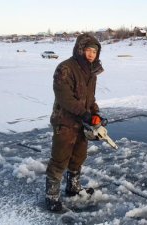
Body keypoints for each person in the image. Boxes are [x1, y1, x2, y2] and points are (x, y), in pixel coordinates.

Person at [45, 33, 105, 212]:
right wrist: (85, 114)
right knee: (59, 158)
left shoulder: (91, 72)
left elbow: (90, 98)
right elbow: (65, 98)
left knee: (78, 157)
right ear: (80, 50)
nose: (91, 54)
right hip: (65, 122)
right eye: (88, 50)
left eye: (95, 51)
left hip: (82, 123)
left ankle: (73, 188)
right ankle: (51, 197)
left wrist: (95, 114)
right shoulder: (65, 68)